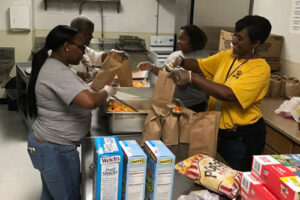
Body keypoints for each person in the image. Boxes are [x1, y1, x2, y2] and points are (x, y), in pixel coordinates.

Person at [167, 15, 272, 171]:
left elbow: (228, 94)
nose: (234, 40)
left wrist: (191, 77)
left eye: (240, 38)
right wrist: (181, 61)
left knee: (233, 183)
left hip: (241, 138)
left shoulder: (260, 69)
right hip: (217, 132)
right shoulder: (228, 55)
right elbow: (199, 65)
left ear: (256, 43)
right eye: (235, 34)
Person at [27, 25, 116, 200]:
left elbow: (78, 92)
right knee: (67, 196)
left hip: (51, 145)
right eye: (81, 47)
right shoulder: (56, 70)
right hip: (54, 148)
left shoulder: (60, 67)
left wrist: (93, 84)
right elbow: (89, 101)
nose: (83, 53)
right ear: (66, 46)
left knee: (52, 195)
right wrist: (107, 91)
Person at [137, 25, 209, 112]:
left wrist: (187, 77)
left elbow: (207, 83)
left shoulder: (205, 59)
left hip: (194, 106)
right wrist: (151, 67)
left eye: (183, 39)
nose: (178, 42)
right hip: (171, 104)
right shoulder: (175, 55)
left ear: (194, 41)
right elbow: (165, 73)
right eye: (179, 38)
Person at [70, 15, 128, 83]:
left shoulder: (84, 49)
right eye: (89, 33)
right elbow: (68, 75)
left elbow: (97, 57)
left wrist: (113, 53)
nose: (92, 37)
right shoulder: (65, 51)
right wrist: (90, 74)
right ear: (78, 32)